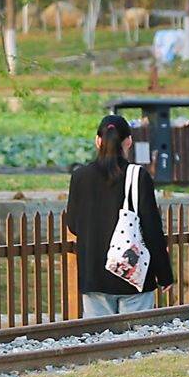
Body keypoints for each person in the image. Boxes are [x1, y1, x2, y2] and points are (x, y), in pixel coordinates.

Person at [65, 113, 173, 316]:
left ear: (98, 141)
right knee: (135, 339)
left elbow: (73, 225)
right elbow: (151, 230)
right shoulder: (138, 176)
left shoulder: (80, 176)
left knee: (100, 340)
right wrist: (164, 274)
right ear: (129, 141)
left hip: (94, 274)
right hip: (133, 275)